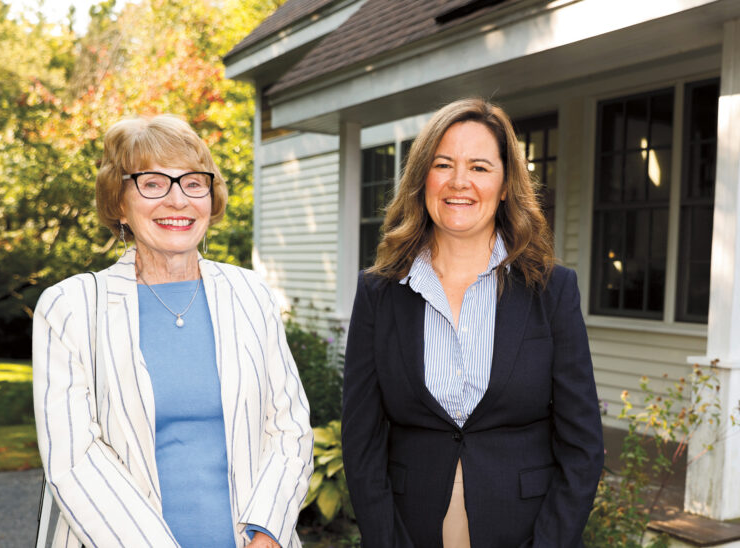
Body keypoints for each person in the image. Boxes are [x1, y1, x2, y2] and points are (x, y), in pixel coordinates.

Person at [32, 114, 313, 548]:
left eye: (193, 182)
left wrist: (267, 535)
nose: (177, 200)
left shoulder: (251, 293)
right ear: (119, 201)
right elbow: (73, 461)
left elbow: (291, 429)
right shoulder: (70, 308)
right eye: (153, 183)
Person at [342, 97, 604, 548]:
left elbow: (583, 447)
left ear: (505, 186)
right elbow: (361, 441)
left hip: (530, 531)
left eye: (480, 167)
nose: (459, 182)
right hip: (409, 529)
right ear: (422, 176)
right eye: (443, 164)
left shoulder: (552, 290)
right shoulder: (379, 292)